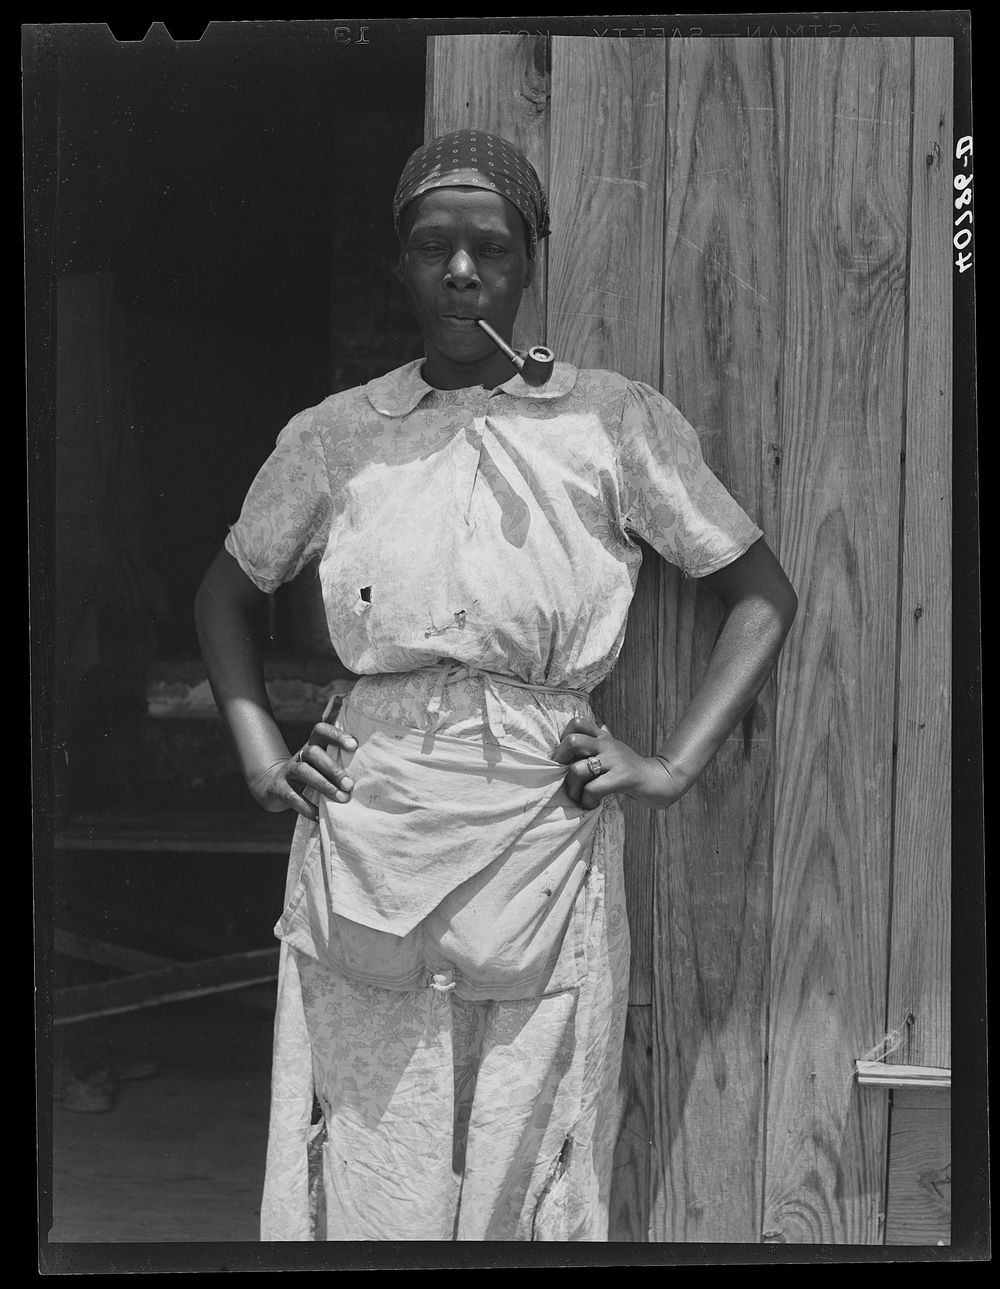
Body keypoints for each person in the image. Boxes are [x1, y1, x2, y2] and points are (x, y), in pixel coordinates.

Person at [194, 129, 797, 1242]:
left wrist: (665, 765)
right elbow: (224, 593)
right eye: (434, 248)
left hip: (539, 819)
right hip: (369, 818)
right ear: (401, 263)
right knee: (373, 1125)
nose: (463, 273)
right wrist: (260, 755)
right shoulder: (337, 436)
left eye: (490, 249)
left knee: (534, 1132)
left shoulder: (609, 421)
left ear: (529, 263)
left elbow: (759, 593)